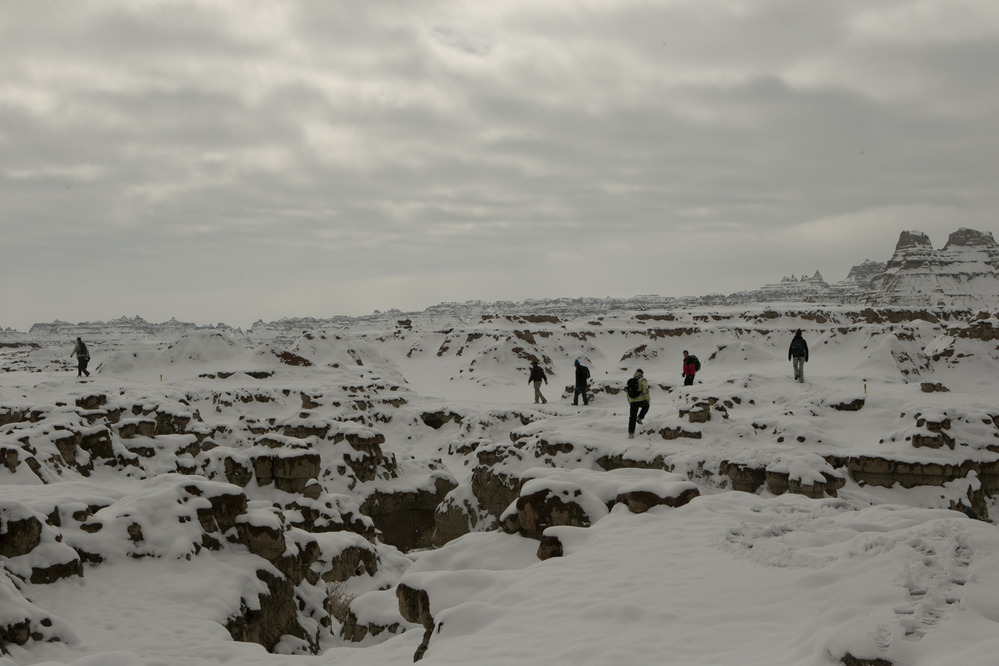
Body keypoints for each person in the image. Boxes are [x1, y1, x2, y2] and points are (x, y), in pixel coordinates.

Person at [626, 369, 650, 439]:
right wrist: (647, 399)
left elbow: (627, 393)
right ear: (641, 373)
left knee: (632, 417)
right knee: (646, 406)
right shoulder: (643, 380)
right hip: (641, 400)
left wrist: (630, 402)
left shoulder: (631, 381)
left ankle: (631, 433)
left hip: (632, 401)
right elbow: (645, 389)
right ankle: (639, 418)